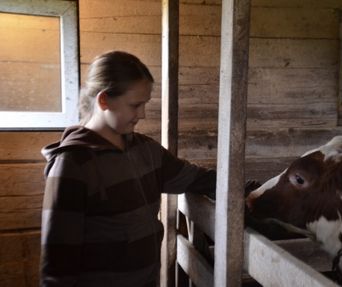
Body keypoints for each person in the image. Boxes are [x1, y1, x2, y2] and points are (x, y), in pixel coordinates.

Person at [40, 51, 216, 287]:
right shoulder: (73, 165)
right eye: (135, 105)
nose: (142, 114)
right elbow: (58, 263)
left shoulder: (147, 151)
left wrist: (258, 190)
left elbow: (195, 178)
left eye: (144, 104)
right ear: (104, 101)